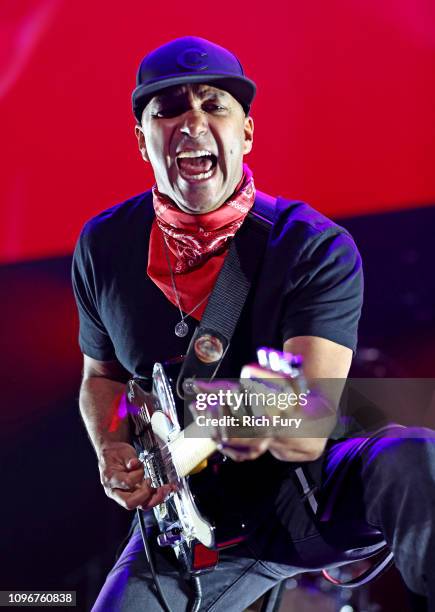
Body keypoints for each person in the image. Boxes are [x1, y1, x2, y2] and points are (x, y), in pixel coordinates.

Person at [72, 36, 435, 611]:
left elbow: (310, 420)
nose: (191, 122)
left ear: (246, 132)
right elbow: (103, 376)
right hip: (192, 528)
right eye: (167, 110)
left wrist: (238, 414)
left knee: (414, 457)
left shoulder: (310, 245)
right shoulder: (103, 245)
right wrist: (110, 447)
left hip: (308, 501)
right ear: (142, 142)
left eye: (214, 105)